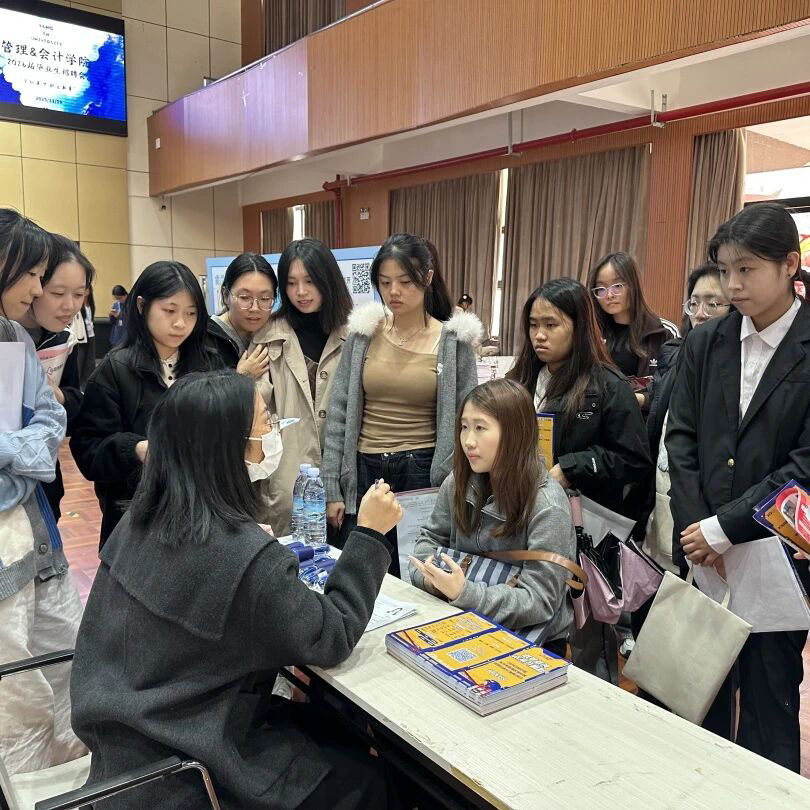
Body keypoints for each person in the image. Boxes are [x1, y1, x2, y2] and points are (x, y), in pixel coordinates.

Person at [70, 369, 403, 809]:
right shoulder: (241, 554)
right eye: (266, 421)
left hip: (126, 742)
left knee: (329, 728)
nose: (274, 431)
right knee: (372, 777)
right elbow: (332, 635)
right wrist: (371, 535)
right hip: (188, 768)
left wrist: (253, 553)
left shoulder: (141, 519)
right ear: (230, 446)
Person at [666, 202, 810, 772]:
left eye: (746, 269)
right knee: (698, 692)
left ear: (789, 266)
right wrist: (697, 528)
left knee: (770, 702)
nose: (732, 285)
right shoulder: (708, 342)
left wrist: (725, 529)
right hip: (702, 551)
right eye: (725, 270)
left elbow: (805, 464)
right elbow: (681, 438)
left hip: (778, 554)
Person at [507, 277, 652, 681]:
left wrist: (572, 468)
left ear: (579, 326)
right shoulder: (522, 379)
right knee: (529, 621)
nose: (539, 335)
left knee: (588, 636)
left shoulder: (607, 386)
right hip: (524, 519)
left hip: (584, 530)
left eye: (551, 325)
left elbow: (634, 460)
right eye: (533, 324)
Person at [322, 233, 481, 576]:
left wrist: (458, 485)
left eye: (405, 282)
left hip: (422, 471)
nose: (394, 291)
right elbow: (339, 413)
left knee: (416, 574)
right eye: (385, 282)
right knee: (360, 573)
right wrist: (333, 487)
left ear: (428, 277)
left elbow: (467, 420)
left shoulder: (454, 342)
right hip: (364, 468)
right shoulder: (363, 334)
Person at [0, 209, 86, 775]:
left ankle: (69, 781)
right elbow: (30, 444)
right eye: (32, 274)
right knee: (14, 693)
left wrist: (19, 455)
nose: (36, 289)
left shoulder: (11, 338)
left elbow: (49, 422)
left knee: (67, 660)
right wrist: (24, 454)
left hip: (35, 537)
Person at [409, 379, 577, 653]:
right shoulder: (458, 481)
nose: (468, 440)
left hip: (530, 640)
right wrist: (431, 580)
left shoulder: (547, 505)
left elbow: (540, 600)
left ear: (514, 433)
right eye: (464, 427)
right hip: (458, 618)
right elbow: (429, 539)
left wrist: (464, 593)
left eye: (480, 428)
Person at [70, 261, 221, 547]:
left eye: (191, 313)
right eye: (169, 311)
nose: (181, 323)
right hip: (136, 521)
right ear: (141, 306)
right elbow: (88, 449)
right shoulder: (115, 369)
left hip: (201, 516)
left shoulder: (208, 364)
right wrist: (137, 449)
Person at [250, 238, 352, 535]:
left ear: (328, 280)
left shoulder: (353, 335)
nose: (301, 292)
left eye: (310, 281)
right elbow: (255, 413)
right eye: (291, 283)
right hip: (286, 481)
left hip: (343, 476)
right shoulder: (268, 337)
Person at [641, 263, 731, 573]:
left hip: (710, 519)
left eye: (713, 304)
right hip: (664, 490)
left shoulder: (734, 370)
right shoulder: (675, 354)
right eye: (694, 303)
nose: (701, 314)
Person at [16, 234, 95, 520]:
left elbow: (74, 405)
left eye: (79, 294)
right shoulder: (8, 336)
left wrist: (58, 395)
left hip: (44, 477)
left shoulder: (62, 338)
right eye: (58, 293)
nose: (70, 306)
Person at [587, 252, 680, 384]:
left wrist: (643, 395)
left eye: (617, 286)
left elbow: (672, 383)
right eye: (601, 289)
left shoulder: (663, 331)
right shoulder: (592, 331)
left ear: (633, 285)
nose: (609, 295)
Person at [207, 252, 277, 381]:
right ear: (225, 295)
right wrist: (241, 378)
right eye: (244, 297)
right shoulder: (205, 340)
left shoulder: (273, 336)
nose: (255, 308)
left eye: (265, 298)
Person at [73, 285, 96, 390]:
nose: (86, 291)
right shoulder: (78, 304)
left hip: (91, 335)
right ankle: (78, 385)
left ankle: (87, 384)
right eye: (84, 289)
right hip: (81, 336)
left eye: (88, 289)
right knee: (80, 361)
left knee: (90, 361)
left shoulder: (90, 304)